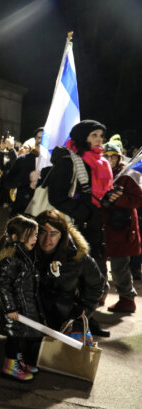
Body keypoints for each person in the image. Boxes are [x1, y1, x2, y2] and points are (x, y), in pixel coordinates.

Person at [46, 119, 121, 335]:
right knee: (71, 280)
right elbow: (57, 196)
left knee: (93, 279)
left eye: (101, 135)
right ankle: (67, 323)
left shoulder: (101, 163)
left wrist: (108, 200)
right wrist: (86, 211)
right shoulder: (69, 161)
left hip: (94, 228)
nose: (100, 140)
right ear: (82, 137)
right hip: (74, 228)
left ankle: (86, 319)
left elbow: (95, 197)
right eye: (94, 135)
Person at [0, 215, 43, 381]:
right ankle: (10, 367)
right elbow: (3, 285)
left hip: (22, 306)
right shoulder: (11, 259)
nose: (35, 239)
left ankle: (18, 362)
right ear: (16, 238)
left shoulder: (24, 255)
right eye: (31, 235)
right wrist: (10, 308)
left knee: (19, 338)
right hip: (15, 310)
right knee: (14, 339)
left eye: (35, 234)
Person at [34, 210, 106, 333]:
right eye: (42, 232)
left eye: (54, 234)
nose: (47, 240)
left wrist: (83, 311)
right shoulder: (25, 253)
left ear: (62, 235)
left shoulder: (78, 257)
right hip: (32, 315)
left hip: (65, 315)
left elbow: (97, 284)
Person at [102, 139, 142, 313]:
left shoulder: (128, 174)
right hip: (103, 227)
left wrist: (118, 198)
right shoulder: (99, 172)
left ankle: (127, 299)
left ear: (119, 157)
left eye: (114, 156)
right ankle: (100, 293)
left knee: (119, 267)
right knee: (98, 264)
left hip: (122, 228)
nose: (110, 159)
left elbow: (138, 199)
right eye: (107, 156)